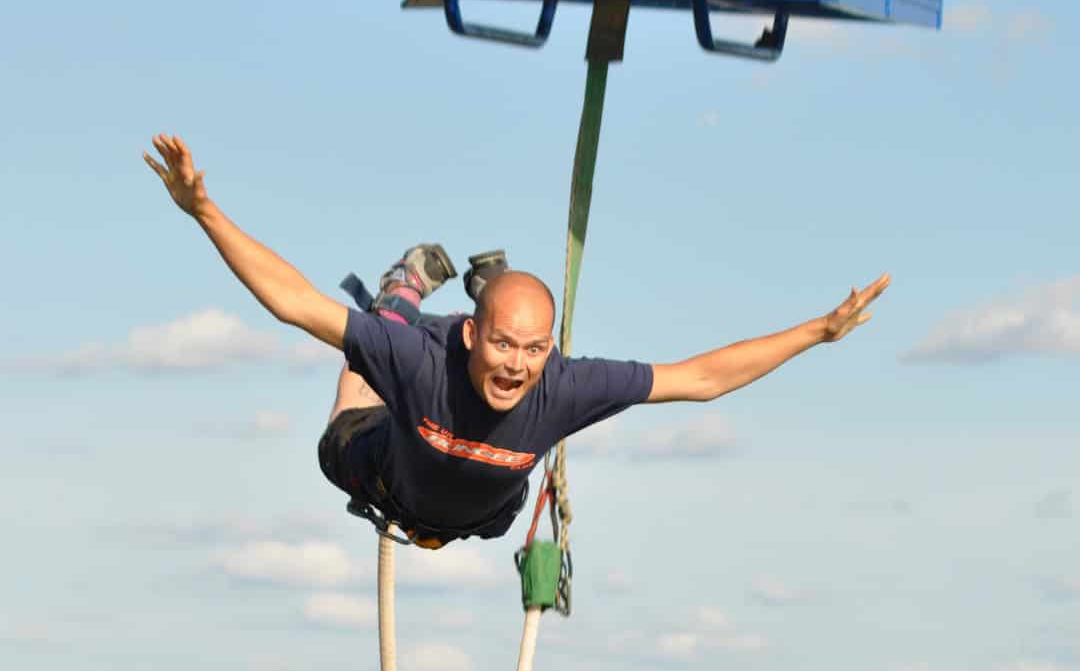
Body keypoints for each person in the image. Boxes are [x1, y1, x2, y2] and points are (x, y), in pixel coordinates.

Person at [144, 134, 890, 548]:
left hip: (479, 515)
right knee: (359, 383)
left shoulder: (562, 385)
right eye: (503, 346)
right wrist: (204, 211)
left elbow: (699, 378)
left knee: (494, 515)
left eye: (534, 350)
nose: (518, 367)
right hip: (388, 475)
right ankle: (402, 289)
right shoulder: (422, 365)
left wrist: (818, 333)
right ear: (475, 337)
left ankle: (471, 291)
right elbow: (295, 303)